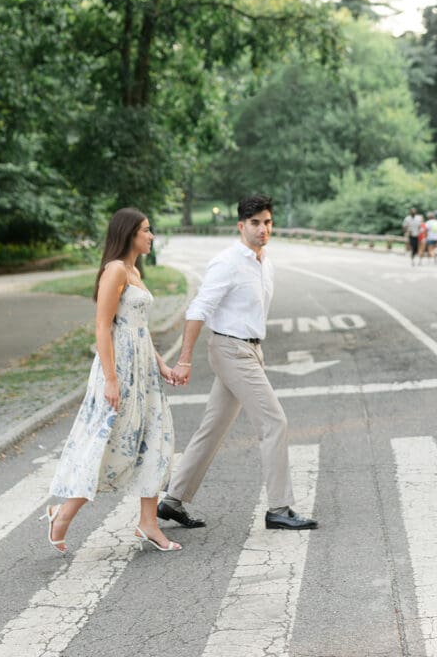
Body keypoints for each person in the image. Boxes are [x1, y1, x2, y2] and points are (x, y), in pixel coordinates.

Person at [159, 193, 318, 532]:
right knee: (274, 421)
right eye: (256, 223)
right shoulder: (228, 262)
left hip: (249, 351)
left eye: (268, 222)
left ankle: (172, 500)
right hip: (230, 350)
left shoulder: (264, 262)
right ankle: (279, 508)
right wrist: (184, 360)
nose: (263, 229)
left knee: (213, 426)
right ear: (241, 225)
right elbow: (198, 309)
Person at [43, 208, 179, 555]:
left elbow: (139, 328)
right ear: (129, 233)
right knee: (108, 442)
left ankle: (148, 523)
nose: (151, 236)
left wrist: (161, 364)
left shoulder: (134, 270)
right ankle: (63, 514)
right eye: (146, 231)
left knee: (155, 440)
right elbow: (102, 326)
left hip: (144, 370)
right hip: (119, 369)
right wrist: (111, 379)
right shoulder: (116, 270)